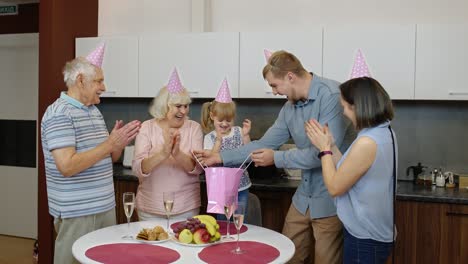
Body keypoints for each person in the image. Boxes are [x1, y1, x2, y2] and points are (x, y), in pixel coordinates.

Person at [195, 50, 355, 263]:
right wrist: (220, 158)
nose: (274, 92)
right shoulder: (290, 107)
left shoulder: (331, 96)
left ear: (290, 76)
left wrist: (277, 158)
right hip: (303, 198)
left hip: (331, 198)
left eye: (274, 85)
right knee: (286, 257)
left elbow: (322, 153)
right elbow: (263, 144)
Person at [41, 43, 141, 264]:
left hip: (104, 207)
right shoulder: (59, 114)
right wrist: (109, 144)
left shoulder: (94, 111)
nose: (103, 87)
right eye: (98, 81)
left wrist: (117, 144)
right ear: (80, 80)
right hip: (78, 213)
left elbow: (109, 158)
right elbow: (67, 166)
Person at [305, 77, 396, 263]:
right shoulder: (384, 132)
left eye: (345, 107)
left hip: (365, 237)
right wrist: (332, 145)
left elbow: (334, 187)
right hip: (375, 232)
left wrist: (324, 150)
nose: (344, 113)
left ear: (358, 107)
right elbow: (348, 169)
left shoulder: (366, 142)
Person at [132, 68, 203, 223]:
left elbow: (198, 168)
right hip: (150, 208)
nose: (183, 111)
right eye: (178, 106)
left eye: (186, 106)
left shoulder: (194, 128)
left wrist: (177, 153)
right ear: (165, 106)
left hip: (186, 208)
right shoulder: (147, 127)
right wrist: (163, 153)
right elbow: (138, 168)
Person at [200, 78, 252, 220]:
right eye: (220, 120)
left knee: (239, 221)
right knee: (222, 224)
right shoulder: (209, 138)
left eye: (228, 120)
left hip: (241, 187)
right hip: (219, 189)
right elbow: (211, 160)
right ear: (212, 116)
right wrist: (218, 140)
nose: (224, 124)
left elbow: (248, 155)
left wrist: (246, 136)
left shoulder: (238, 131)